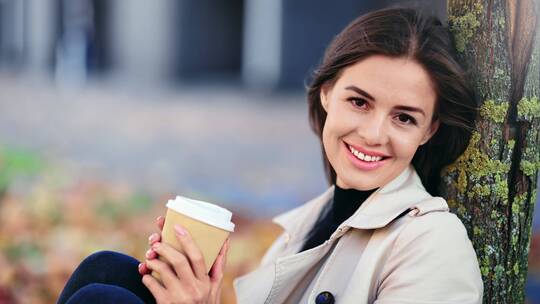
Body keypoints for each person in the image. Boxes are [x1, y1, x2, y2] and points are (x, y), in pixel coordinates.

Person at [57, 7, 484, 304]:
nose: (374, 134)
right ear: (327, 92)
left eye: (404, 118)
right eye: (359, 102)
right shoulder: (300, 229)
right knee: (107, 271)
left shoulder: (432, 243)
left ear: (429, 131)